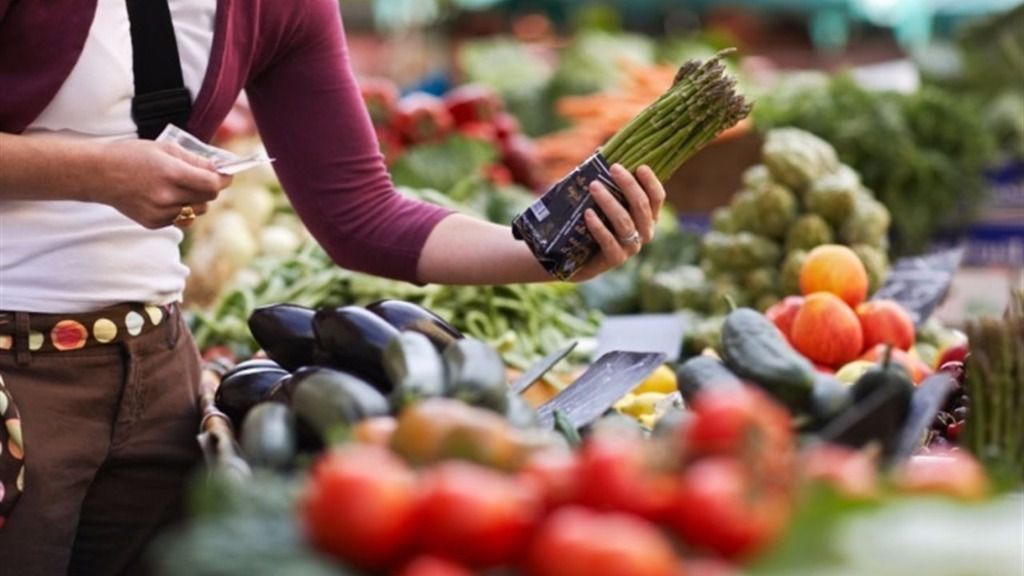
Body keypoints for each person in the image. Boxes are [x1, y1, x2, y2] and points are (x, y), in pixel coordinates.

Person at [0, 0, 665, 574]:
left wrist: (550, 256)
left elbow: (359, 212)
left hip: (159, 380)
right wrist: (95, 172)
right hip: (16, 380)